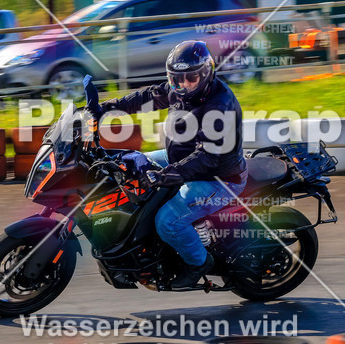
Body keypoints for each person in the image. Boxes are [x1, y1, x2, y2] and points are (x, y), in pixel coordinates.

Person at [100, 40, 247, 288]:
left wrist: (168, 174)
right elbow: (146, 97)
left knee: (168, 221)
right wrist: (106, 108)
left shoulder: (219, 106)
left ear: (207, 73)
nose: (183, 84)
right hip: (181, 159)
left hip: (219, 179)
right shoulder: (179, 89)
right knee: (130, 165)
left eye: (191, 78)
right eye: (176, 79)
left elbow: (208, 156)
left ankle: (198, 262)